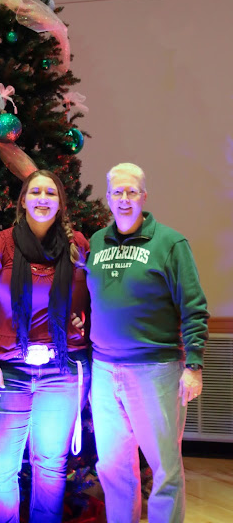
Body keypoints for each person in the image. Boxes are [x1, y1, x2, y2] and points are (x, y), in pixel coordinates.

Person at [85, 163, 209, 523]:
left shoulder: (170, 243)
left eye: (132, 192)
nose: (124, 199)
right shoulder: (96, 242)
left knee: (164, 468)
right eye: (117, 192)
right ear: (108, 197)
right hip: (104, 370)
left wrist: (194, 366)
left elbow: (194, 306)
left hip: (156, 370)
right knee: (113, 467)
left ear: (144, 196)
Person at [0, 169, 90, 523]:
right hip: (9, 370)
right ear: (23, 201)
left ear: (60, 203)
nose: (43, 199)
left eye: (51, 193)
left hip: (62, 370)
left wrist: (83, 318)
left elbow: (93, 295)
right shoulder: (0, 244)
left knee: (51, 465)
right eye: (35, 192)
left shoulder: (78, 245)